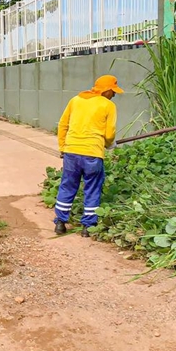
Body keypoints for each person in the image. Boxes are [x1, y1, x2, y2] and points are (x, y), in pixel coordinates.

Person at [53, 74, 122, 237]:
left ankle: (60, 223)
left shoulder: (75, 100)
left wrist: (63, 146)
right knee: (92, 187)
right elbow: (110, 133)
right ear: (106, 91)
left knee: (68, 185)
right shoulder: (108, 105)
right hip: (92, 153)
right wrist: (109, 143)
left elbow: (63, 124)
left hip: (72, 151)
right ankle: (87, 227)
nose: (114, 95)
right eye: (113, 91)